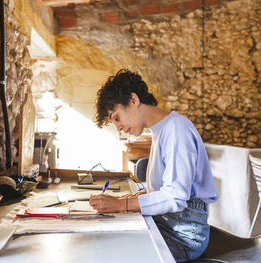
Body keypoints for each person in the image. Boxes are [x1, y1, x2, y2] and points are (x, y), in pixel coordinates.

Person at [89, 69, 219, 262]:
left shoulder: (176, 130)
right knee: (104, 241)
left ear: (133, 100)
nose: (119, 127)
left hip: (184, 235)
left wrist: (121, 204)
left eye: (116, 118)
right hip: (171, 224)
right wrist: (136, 198)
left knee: (113, 254)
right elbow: (167, 188)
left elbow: (175, 197)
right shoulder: (162, 130)